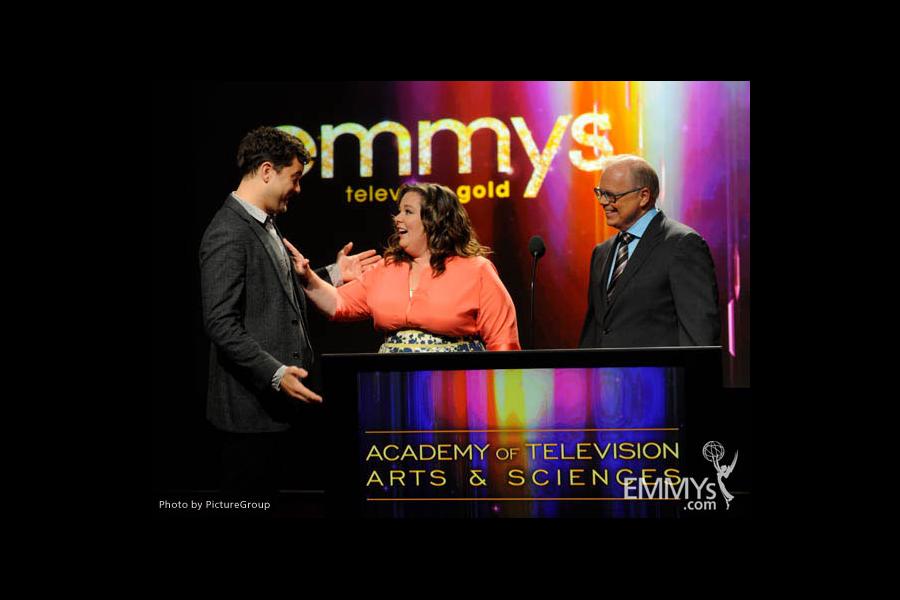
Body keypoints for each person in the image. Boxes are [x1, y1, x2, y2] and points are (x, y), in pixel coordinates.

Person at [199, 126, 380, 495]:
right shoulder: (228, 232)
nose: (298, 189)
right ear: (267, 171)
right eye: (294, 178)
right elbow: (220, 323)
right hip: (249, 419)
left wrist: (332, 274)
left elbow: (277, 292)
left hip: (278, 414)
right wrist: (276, 373)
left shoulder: (263, 223)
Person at [286, 182, 520, 352]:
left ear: (435, 221)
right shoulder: (385, 269)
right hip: (394, 388)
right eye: (399, 211)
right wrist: (307, 276)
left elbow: (503, 342)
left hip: (458, 386)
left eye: (408, 212)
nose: (397, 218)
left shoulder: (477, 270)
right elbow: (338, 303)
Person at [579, 155, 720, 348]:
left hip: (659, 377)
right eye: (600, 193)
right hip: (605, 377)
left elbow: (699, 334)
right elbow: (594, 332)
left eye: (611, 195)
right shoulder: (601, 253)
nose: (603, 202)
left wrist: (690, 377)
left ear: (643, 196)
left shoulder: (682, 244)